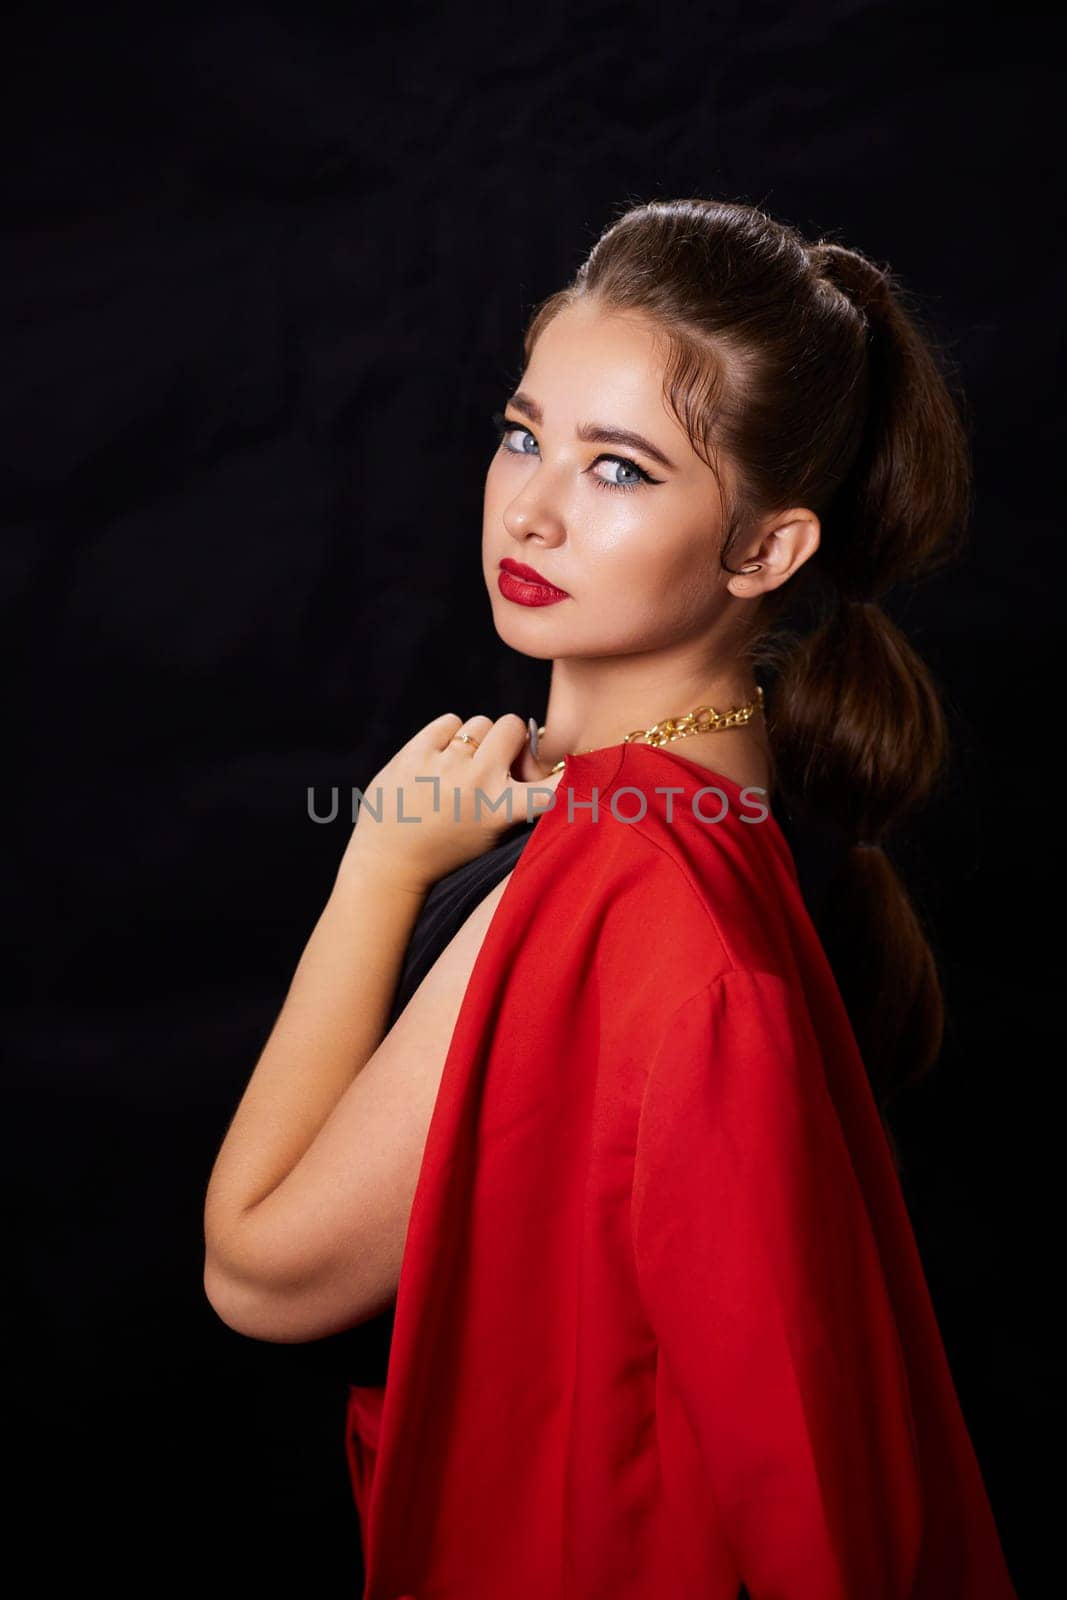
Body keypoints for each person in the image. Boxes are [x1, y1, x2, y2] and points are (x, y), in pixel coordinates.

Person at [202, 198, 1018, 1597]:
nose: (531, 506)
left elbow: (261, 1273)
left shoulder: (622, 872)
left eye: (623, 469)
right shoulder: (718, 823)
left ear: (767, 552)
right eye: (525, 434)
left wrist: (380, 865)